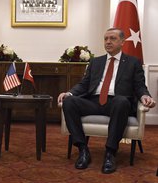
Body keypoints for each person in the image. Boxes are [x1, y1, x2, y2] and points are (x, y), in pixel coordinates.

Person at [57, 28, 156, 174]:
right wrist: (69, 93)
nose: (108, 42)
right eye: (106, 39)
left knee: (121, 101)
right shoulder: (96, 62)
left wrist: (145, 96)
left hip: (117, 103)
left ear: (122, 42)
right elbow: (84, 84)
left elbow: (139, 86)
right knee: (69, 102)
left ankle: (110, 153)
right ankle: (83, 150)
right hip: (94, 101)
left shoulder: (133, 62)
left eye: (113, 38)